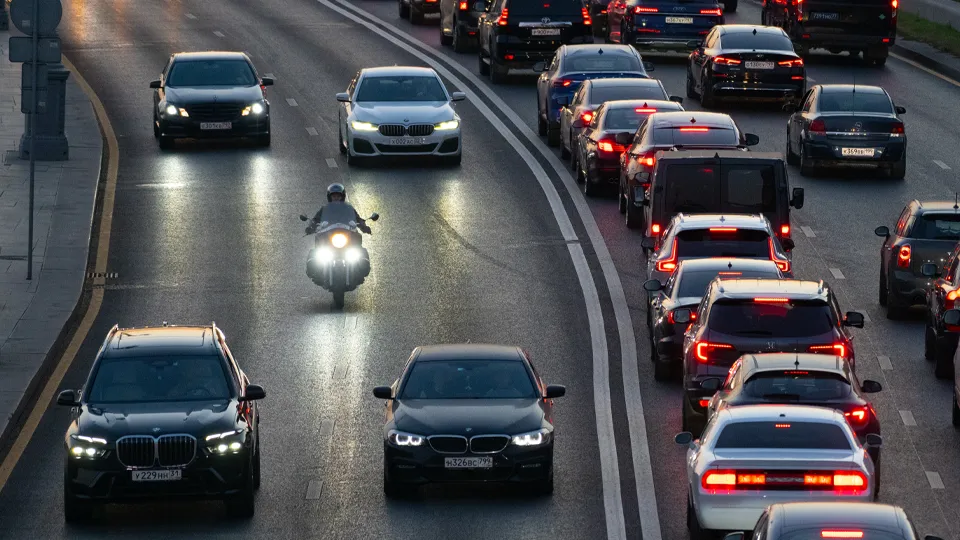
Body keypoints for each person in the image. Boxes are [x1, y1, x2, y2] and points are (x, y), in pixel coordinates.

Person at [306, 183, 371, 234]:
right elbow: (315, 220)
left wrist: (364, 227)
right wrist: (311, 227)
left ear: (342, 197)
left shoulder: (348, 208)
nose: (336, 198)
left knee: (361, 249)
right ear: (330, 197)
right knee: (315, 250)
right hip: (327, 233)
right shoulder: (325, 209)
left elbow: (358, 219)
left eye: (338, 196)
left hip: (347, 233)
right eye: (334, 196)